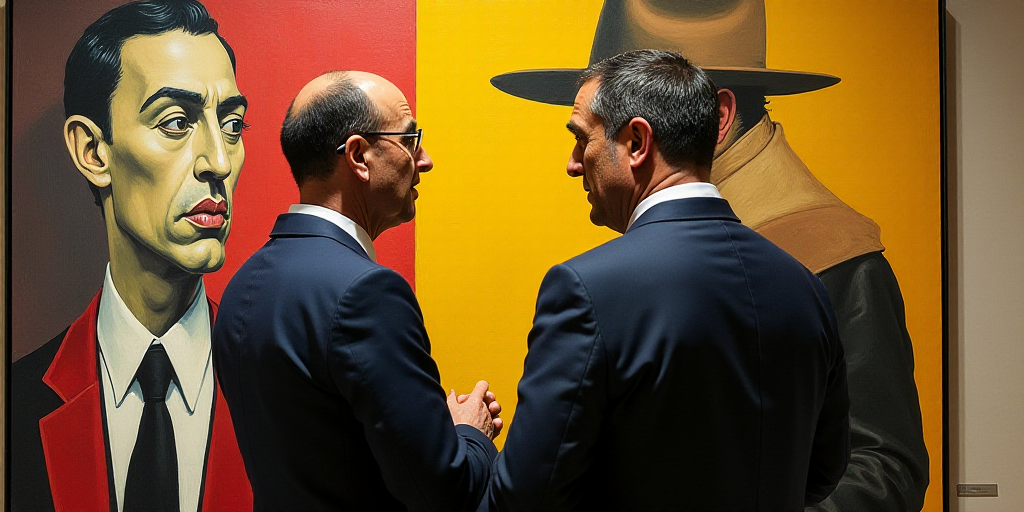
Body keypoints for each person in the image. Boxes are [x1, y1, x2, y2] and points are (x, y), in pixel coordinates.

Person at [489, 1, 929, 510]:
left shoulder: (834, 259)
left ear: (714, 116)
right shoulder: (794, 281)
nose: (572, 164)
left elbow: (883, 467)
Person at [212, 70, 501, 512]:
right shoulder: (367, 293)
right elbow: (443, 490)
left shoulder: (240, 288)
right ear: (359, 156)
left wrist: (425, 429)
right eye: (409, 140)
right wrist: (470, 433)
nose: (424, 160)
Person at [10, 1, 252, 511]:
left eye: (231, 124)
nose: (219, 161)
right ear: (93, 152)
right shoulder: (14, 406)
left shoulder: (294, 400)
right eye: (175, 122)